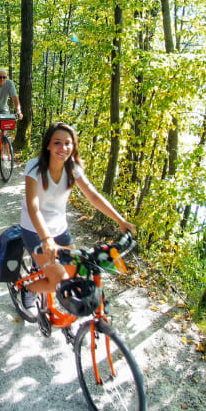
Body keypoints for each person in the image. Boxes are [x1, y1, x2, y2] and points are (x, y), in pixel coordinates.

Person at [18, 122, 135, 314]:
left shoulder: (73, 168)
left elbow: (94, 196)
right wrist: (47, 240)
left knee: (76, 274)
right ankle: (27, 288)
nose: (63, 148)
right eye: (57, 143)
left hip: (60, 229)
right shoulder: (35, 167)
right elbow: (33, 207)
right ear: (48, 145)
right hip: (34, 230)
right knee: (60, 281)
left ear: (73, 146)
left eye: (67, 143)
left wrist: (121, 221)